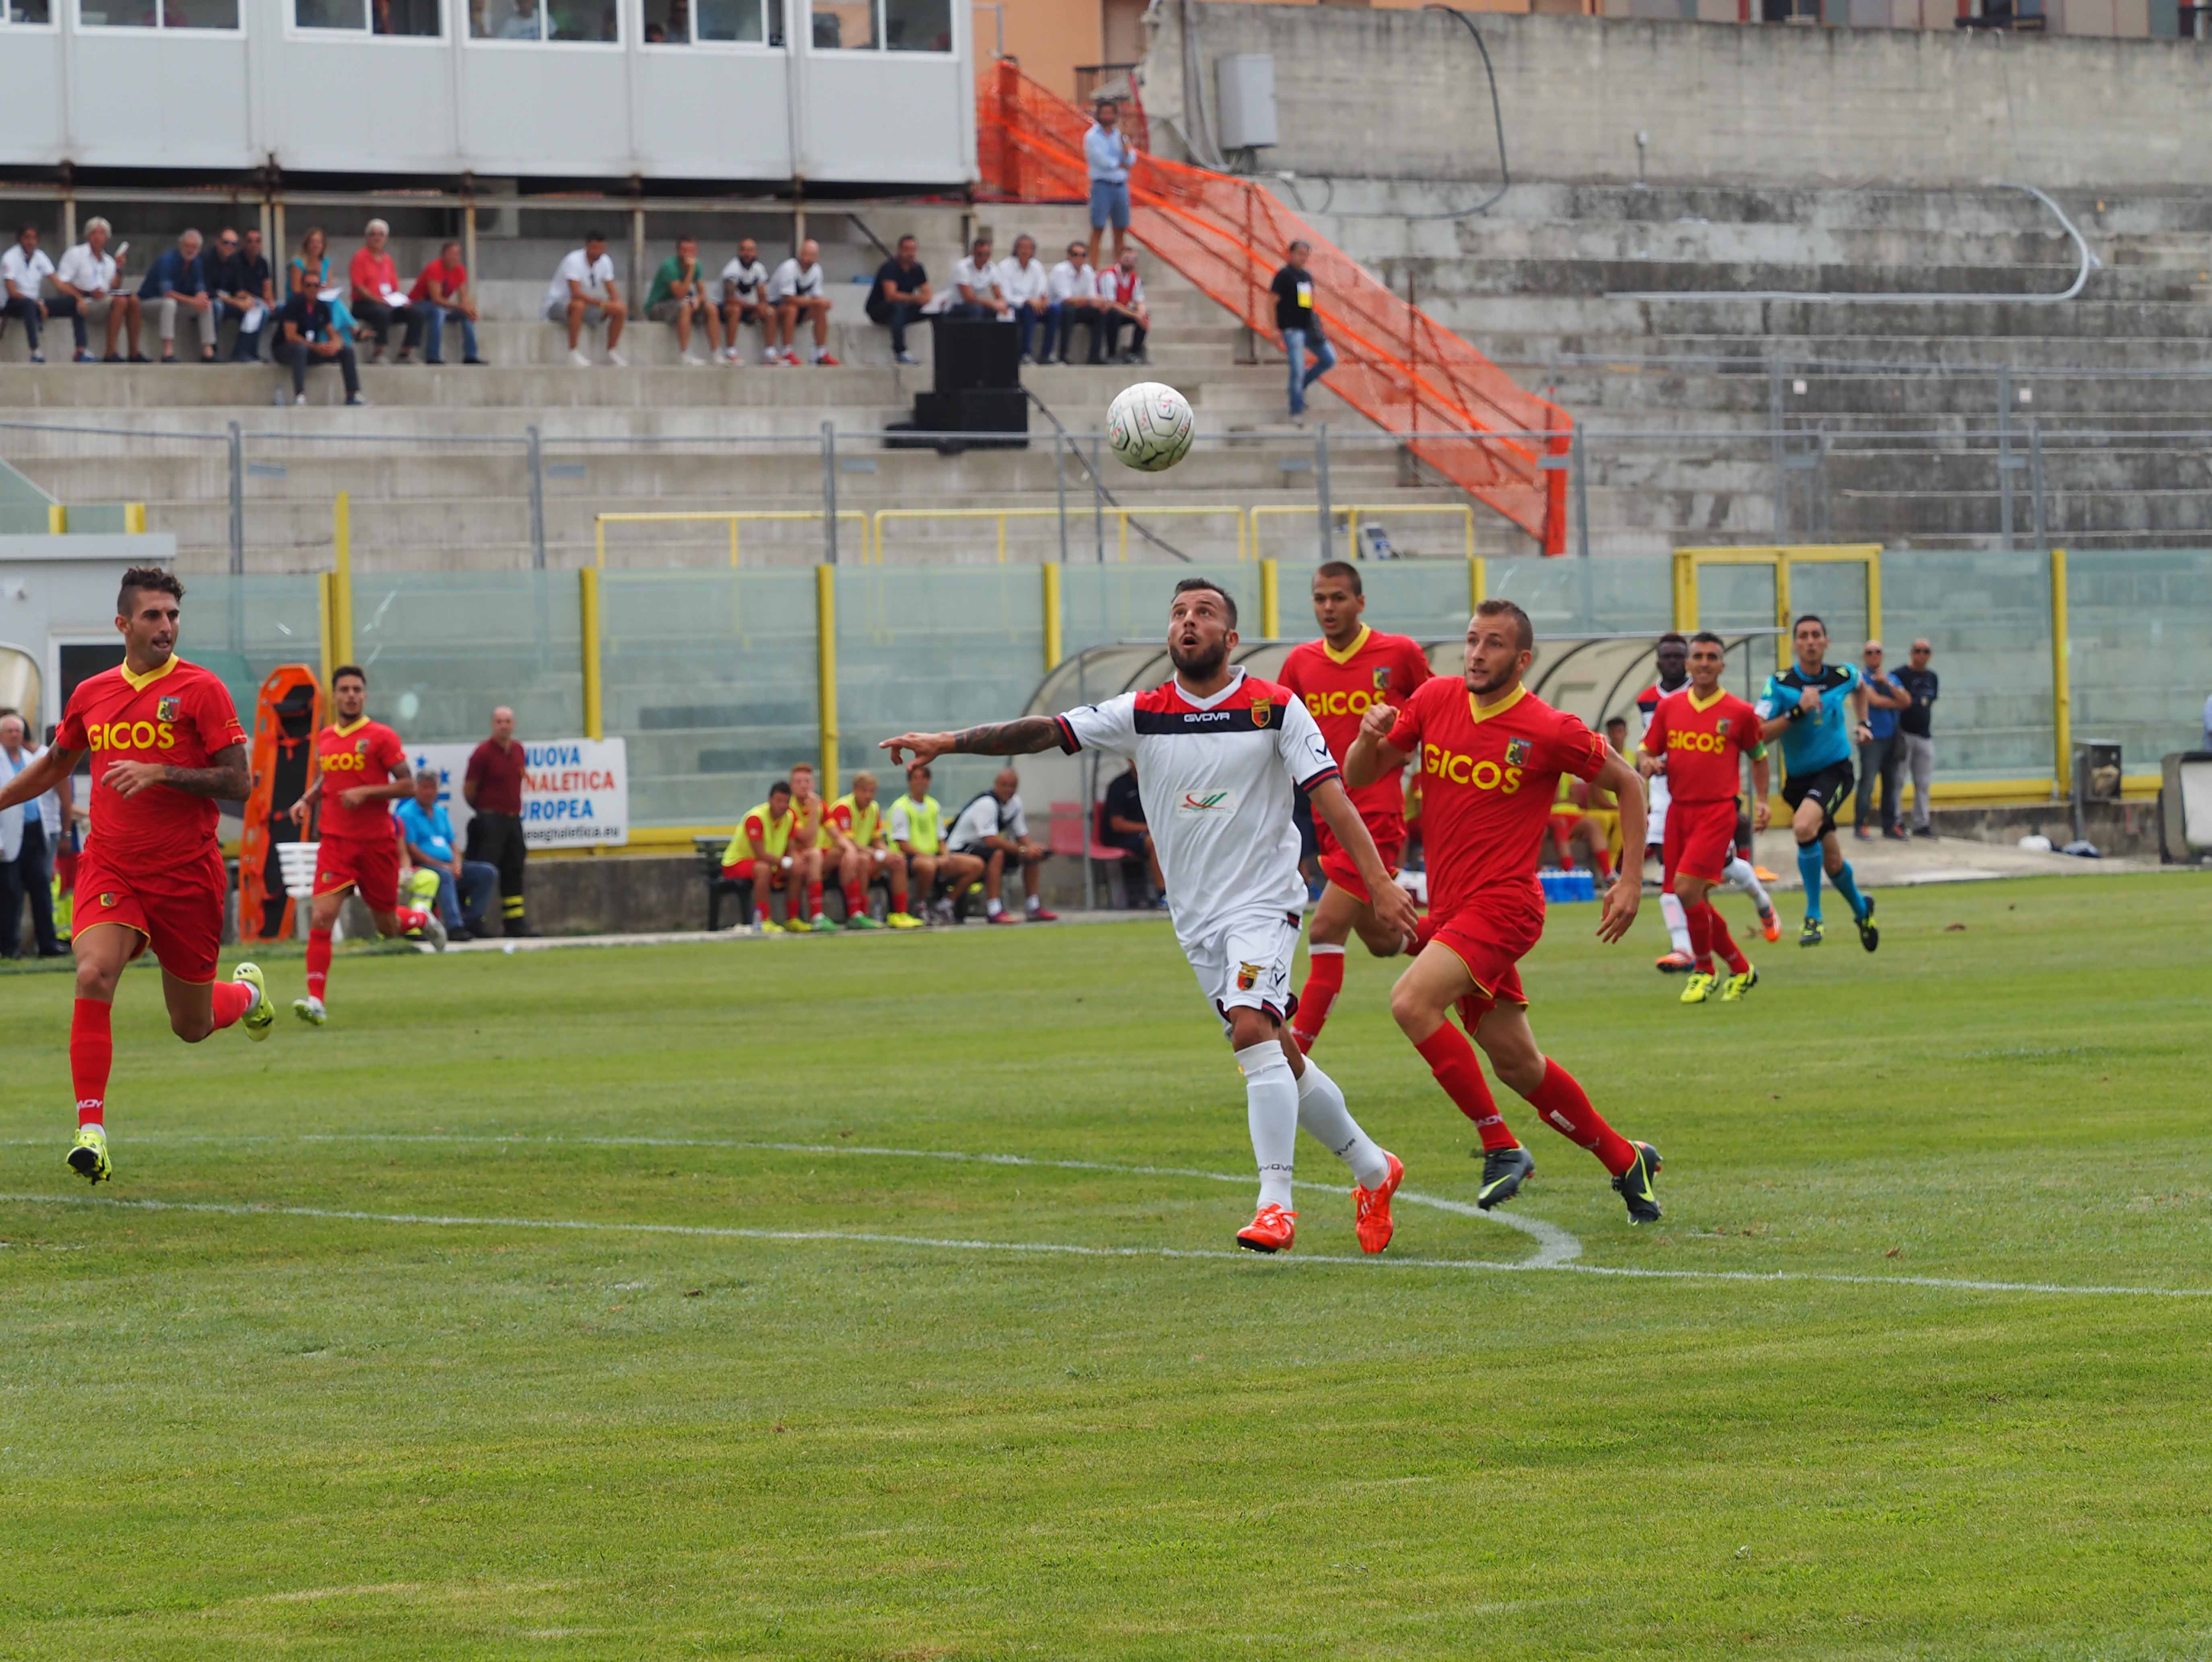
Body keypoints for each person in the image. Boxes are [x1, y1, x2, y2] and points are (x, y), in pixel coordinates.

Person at [882, 577, 1417, 1255]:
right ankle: (1374, 1167)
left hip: (1265, 901)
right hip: (1195, 918)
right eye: (1178, 613)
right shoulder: (1141, 711)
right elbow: (1047, 730)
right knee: (1277, 1050)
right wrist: (950, 740)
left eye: (1204, 613)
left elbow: (1333, 797)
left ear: (1231, 638)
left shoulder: (1276, 709)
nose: (1188, 622)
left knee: (1251, 1029)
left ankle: (1276, 1202)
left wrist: (1379, 882)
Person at [1344, 597, 1665, 1226]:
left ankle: (1501, 1146)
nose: (1476, 654)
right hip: (1456, 912)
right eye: (1471, 640)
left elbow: (1629, 781)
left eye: (1492, 644)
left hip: (1507, 907)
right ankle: (1626, 1158)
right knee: (1519, 1065)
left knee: (1411, 1002)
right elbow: (1359, 775)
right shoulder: (1434, 700)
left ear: (1522, 659)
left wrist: (1631, 881)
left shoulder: (1549, 728)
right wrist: (1365, 735)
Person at [0, 567, 277, 1186]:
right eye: (153, 616)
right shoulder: (92, 693)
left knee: (192, 1025)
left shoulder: (203, 690)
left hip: (186, 875)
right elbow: (54, 767)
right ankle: (91, 1131)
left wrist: (162, 772)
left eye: (173, 616)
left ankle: (249, 995)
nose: (166, 627)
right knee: (94, 971)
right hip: (113, 864)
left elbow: (240, 783)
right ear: (123, 624)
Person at [1275, 560, 1432, 1053]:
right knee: (1385, 940)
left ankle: (1291, 1058)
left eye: (1339, 598)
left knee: (1324, 928)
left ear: (1360, 603)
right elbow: (1276, 729)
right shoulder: (1300, 663)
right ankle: (1463, 946)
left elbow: (1440, 709)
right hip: (1328, 820)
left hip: (1379, 814)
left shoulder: (1399, 652)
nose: (1328, 607)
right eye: (1320, 598)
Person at [287, 665, 439, 1025]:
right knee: (322, 916)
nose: (351, 695)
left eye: (357, 689)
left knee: (387, 926)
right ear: (335, 696)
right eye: (344, 690)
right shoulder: (325, 738)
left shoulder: (381, 736)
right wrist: (307, 800)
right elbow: (330, 777)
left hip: (376, 846)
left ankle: (421, 918)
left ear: (364, 695)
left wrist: (366, 792)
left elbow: (407, 785)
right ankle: (316, 1000)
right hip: (336, 844)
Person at [1638, 632, 1771, 1006]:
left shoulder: (1739, 712)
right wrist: (1648, 762)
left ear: (1722, 665)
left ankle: (1704, 970)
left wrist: (1762, 800)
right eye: (1699, 656)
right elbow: (1647, 749)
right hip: (1679, 811)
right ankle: (1741, 968)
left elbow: (1759, 756)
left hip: (1717, 811)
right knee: (1692, 897)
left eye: (1712, 657)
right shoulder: (1670, 708)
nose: (1704, 663)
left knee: (1685, 891)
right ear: (1689, 663)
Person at [1755, 613, 1878, 951]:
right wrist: (1797, 712)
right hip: (1799, 781)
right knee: (1833, 861)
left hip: (1836, 771)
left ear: (1827, 642)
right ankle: (1862, 911)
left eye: (1816, 635)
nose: (1810, 641)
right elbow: (1758, 735)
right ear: (1795, 643)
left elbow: (1862, 687)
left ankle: (1814, 915)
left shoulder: (1843, 675)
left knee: (1803, 827)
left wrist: (1864, 722)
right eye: (1804, 636)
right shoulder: (1779, 684)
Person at [395, 766, 496, 939]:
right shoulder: (406, 814)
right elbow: (412, 850)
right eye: (424, 787)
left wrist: (456, 864)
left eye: (433, 788)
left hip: (449, 865)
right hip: (424, 866)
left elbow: (453, 844)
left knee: (487, 872)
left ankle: (473, 921)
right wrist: (445, 867)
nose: (429, 792)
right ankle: (454, 926)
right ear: (416, 789)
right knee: (445, 875)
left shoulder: (440, 812)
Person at [945, 768, 1056, 925]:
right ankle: (994, 910)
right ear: (996, 784)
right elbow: (990, 840)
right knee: (997, 854)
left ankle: (1033, 907)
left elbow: (1021, 835)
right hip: (961, 849)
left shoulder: (1015, 803)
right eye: (1004, 785)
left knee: (1030, 856)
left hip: (984, 850)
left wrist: (1034, 849)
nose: (1008, 790)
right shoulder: (987, 803)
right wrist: (1023, 849)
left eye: (1012, 786)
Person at [819, 770, 922, 930]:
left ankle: (899, 914)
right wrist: (876, 854)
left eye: (872, 791)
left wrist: (888, 854)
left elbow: (876, 840)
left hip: (861, 853)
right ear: (855, 790)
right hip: (835, 857)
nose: (869, 795)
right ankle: (860, 913)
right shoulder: (843, 808)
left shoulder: (874, 808)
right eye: (865, 791)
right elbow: (849, 843)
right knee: (863, 860)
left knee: (898, 861)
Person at [887, 762, 983, 923]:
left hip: (934, 855)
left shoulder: (933, 805)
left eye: (924, 778)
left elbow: (941, 839)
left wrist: (945, 855)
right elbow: (902, 844)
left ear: (929, 782)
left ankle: (946, 904)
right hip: (910, 858)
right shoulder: (901, 807)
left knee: (976, 865)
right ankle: (920, 904)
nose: (920, 782)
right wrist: (928, 857)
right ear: (910, 782)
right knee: (928, 866)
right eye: (916, 778)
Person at [1, 712, 64, 958]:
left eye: (18, 731)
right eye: (10, 731)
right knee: (10, 894)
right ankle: (9, 948)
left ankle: (48, 944)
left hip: (36, 832)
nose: (16, 735)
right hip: (8, 837)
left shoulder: (30, 758)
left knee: (41, 890)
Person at [464, 704, 531, 935]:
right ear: (493, 725)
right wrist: (485, 813)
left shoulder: (519, 750)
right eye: (500, 721)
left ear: (514, 725)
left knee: (514, 869)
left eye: (508, 721)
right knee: (484, 870)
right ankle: (474, 921)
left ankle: (515, 922)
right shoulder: (482, 753)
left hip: (513, 820)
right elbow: (470, 790)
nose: (504, 725)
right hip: (490, 820)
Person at [54, 219, 142, 363]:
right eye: (94, 233)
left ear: (107, 237)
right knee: (120, 301)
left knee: (133, 300)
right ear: (88, 235)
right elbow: (62, 283)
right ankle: (110, 353)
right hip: (84, 301)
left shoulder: (108, 261)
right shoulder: (76, 254)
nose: (98, 237)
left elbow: (113, 287)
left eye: (102, 233)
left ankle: (134, 353)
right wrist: (84, 294)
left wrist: (119, 268)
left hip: (104, 301)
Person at [722, 778, 803, 933]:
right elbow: (760, 854)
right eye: (779, 801)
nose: (783, 806)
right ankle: (763, 920)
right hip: (735, 864)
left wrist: (796, 860)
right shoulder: (756, 818)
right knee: (763, 869)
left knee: (797, 869)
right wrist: (784, 861)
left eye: (786, 802)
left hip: (771, 863)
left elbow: (791, 846)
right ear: (770, 800)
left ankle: (793, 919)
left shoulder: (790, 817)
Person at [1271, 239, 1335, 425]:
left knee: (1329, 359)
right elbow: (1272, 302)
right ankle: (1296, 409)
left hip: (1308, 328)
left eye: (1306, 254)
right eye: (1299, 253)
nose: (1303, 258)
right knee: (1297, 369)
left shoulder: (1306, 276)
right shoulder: (1284, 276)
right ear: (1291, 254)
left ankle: (1297, 389)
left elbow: (1307, 303)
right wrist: (1274, 328)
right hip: (1292, 329)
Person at [1853, 639, 1910, 842]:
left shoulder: (1891, 678)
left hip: (1891, 738)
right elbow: (1873, 700)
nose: (1874, 656)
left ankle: (1889, 826)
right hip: (1871, 739)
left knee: (1891, 784)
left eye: (1877, 652)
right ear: (1864, 656)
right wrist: (1897, 702)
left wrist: (1888, 685)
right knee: (1867, 783)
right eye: (1869, 652)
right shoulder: (1861, 678)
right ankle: (1860, 825)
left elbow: (1908, 701)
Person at [545, 231, 627, 368]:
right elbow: (576, 293)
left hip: (586, 305)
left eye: (602, 249)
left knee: (620, 309)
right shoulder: (573, 260)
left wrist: (615, 304)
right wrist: (602, 304)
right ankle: (573, 352)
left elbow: (612, 290)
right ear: (587, 247)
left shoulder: (605, 261)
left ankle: (611, 351)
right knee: (578, 306)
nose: (598, 253)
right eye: (595, 248)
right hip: (558, 305)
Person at [277, 282, 367, 407]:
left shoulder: (322, 308)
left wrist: (335, 345)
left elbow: (333, 333)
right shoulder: (294, 304)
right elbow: (291, 336)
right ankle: (300, 396)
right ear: (303, 287)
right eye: (308, 285)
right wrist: (316, 347)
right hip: (286, 350)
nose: (312, 289)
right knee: (300, 349)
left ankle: (353, 395)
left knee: (347, 351)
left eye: (316, 286)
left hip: (312, 349)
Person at [138, 230, 217, 363]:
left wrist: (201, 298)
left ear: (199, 249)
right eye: (188, 246)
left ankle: (208, 352)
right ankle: (167, 353)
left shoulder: (197, 262)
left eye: (194, 247)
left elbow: (200, 290)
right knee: (170, 303)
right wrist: (194, 301)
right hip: (149, 304)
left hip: (178, 305)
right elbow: (167, 293)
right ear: (181, 246)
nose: (191, 250)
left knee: (206, 305)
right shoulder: (168, 260)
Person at [645, 235, 722, 366]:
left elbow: (703, 293)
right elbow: (680, 295)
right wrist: (691, 271)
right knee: (685, 306)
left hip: (680, 305)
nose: (688, 254)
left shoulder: (697, 265)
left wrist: (698, 299)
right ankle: (685, 354)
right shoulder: (669, 266)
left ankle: (716, 354)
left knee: (711, 307)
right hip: (658, 307)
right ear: (678, 251)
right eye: (684, 250)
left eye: (691, 250)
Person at [2, 224, 72, 365]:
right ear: (20, 239)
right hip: (12, 304)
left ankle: (81, 351)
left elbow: (58, 284)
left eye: (34, 238)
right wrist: (37, 303)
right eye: (27, 238)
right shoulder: (10, 257)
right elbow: (12, 292)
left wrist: (78, 298)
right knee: (29, 305)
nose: (31, 242)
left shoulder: (40, 257)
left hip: (35, 302)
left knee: (73, 304)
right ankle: (35, 352)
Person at [1892, 636, 1940, 837]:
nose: (1922, 655)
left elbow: (1930, 702)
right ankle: (1895, 820)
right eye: (1918, 651)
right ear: (1911, 653)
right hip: (1905, 733)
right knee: (1898, 780)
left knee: (1923, 782)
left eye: (1926, 651)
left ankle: (1922, 823)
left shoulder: (1932, 677)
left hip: (1924, 735)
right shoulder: (1900, 674)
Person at [1083, 97, 1136, 277]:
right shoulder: (1091, 136)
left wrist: (1125, 157)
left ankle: (1119, 269)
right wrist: (1119, 164)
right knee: (1098, 227)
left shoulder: (1120, 135)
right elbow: (1101, 160)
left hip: (1120, 185)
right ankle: (1093, 268)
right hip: (1102, 185)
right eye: (1104, 112)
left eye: (1110, 113)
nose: (1107, 116)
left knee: (1120, 228)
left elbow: (1131, 159)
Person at [206, 227, 274, 363]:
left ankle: (249, 352)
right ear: (218, 243)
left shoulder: (237, 262)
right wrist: (243, 301)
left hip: (234, 301)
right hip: (214, 302)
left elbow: (242, 289)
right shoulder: (208, 260)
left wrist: (269, 301)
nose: (230, 247)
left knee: (273, 308)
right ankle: (214, 352)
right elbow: (212, 293)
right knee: (218, 307)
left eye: (233, 244)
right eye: (226, 243)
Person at [410, 240, 483, 365]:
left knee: (467, 315)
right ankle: (433, 356)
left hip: (440, 306)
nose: (455, 257)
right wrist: (461, 307)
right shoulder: (435, 268)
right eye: (451, 254)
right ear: (443, 255)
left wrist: (470, 309)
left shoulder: (459, 270)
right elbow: (436, 299)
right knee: (439, 312)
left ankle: (471, 356)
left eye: (457, 254)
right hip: (420, 305)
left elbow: (464, 295)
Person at [1100, 760, 1163, 906]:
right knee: (1154, 843)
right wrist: (1148, 828)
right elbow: (1117, 824)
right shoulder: (1119, 785)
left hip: (1149, 834)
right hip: (1121, 838)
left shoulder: (1156, 783)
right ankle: (1163, 895)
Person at [782, 760, 835, 930]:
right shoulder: (788, 808)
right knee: (811, 857)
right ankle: (807, 917)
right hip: (788, 858)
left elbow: (836, 833)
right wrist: (813, 812)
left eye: (808, 782)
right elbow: (808, 840)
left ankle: (857, 914)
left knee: (853, 857)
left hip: (812, 859)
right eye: (799, 782)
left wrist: (850, 850)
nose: (804, 786)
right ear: (791, 786)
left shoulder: (821, 806)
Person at [767, 238, 836, 367]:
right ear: (800, 254)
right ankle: (787, 351)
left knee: (820, 309)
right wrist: (817, 302)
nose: (810, 259)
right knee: (792, 309)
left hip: (800, 308)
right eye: (807, 255)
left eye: (813, 256)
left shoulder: (817, 271)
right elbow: (788, 299)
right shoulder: (789, 268)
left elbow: (817, 297)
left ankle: (821, 353)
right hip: (777, 307)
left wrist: (823, 303)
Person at [866, 234, 931, 365]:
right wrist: (917, 298)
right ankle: (900, 351)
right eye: (907, 250)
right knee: (899, 306)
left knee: (936, 310)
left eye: (913, 250)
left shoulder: (918, 269)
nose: (910, 254)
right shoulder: (890, 268)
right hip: (880, 309)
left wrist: (924, 300)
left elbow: (928, 294)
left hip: (904, 308)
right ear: (900, 251)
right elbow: (891, 296)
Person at [1044, 239, 1102, 366]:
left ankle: (1095, 357)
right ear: (1069, 256)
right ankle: (1063, 355)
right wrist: (1089, 300)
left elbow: (1092, 295)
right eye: (1075, 254)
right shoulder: (1061, 270)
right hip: (1058, 309)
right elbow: (1066, 299)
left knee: (1100, 313)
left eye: (1083, 255)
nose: (1079, 258)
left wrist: (1100, 303)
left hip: (1078, 308)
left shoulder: (1088, 271)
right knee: (1068, 311)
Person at [997, 233, 1051, 364]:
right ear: (1016, 249)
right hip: (1014, 306)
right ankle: (1025, 353)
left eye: (1029, 248)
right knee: (1028, 310)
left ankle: (1047, 354)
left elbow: (1041, 289)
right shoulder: (1005, 266)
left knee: (1055, 310)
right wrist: (1027, 301)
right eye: (1022, 247)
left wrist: (1041, 300)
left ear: (1033, 250)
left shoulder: (1037, 266)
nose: (1026, 251)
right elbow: (1006, 296)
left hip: (1033, 306)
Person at [720, 238, 771, 363]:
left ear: (756, 253)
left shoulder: (759, 269)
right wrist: (755, 307)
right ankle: (730, 352)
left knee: (771, 312)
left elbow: (762, 295)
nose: (747, 254)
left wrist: (763, 306)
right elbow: (730, 299)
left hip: (748, 309)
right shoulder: (732, 269)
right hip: (724, 308)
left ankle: (770, 353)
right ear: (739, 252)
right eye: (744, 250)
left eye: (750, 250)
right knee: (735, 310)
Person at [1097, 250, 1147, 365]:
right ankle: (1111, 353)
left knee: (1145, 317)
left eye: (1133, 260)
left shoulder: (1135, 278)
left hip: (1122, 310)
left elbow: (1140, 301)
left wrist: (1141, 314)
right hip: (1106, 311)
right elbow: (1111, 303)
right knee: (1114, 315)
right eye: (1127, 259)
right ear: (1120, 259)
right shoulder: (1109, 275)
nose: (1130, 263)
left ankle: (1134, 353)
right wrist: (1135, 315)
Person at [949, 236, 1007, 322]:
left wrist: (1002, 304)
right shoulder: (963, 267)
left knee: (995, 310)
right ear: (973, 253)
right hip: (956, 306)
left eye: (987, 255)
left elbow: (998, 294)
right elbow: (969, 298)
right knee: (976, 309)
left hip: (974, 305)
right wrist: (992, 304)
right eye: (980, 254)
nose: (984, 258)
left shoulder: (991, 268)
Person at [288, 225, 333, 301]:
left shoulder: (327, 263)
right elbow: (297, 291)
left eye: (319, 243)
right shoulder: (298, 264)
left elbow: (329, 287)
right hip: (301, 302)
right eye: (312, 242)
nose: (316, 246)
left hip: (322, 300)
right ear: (307, 245)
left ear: (323, 246)